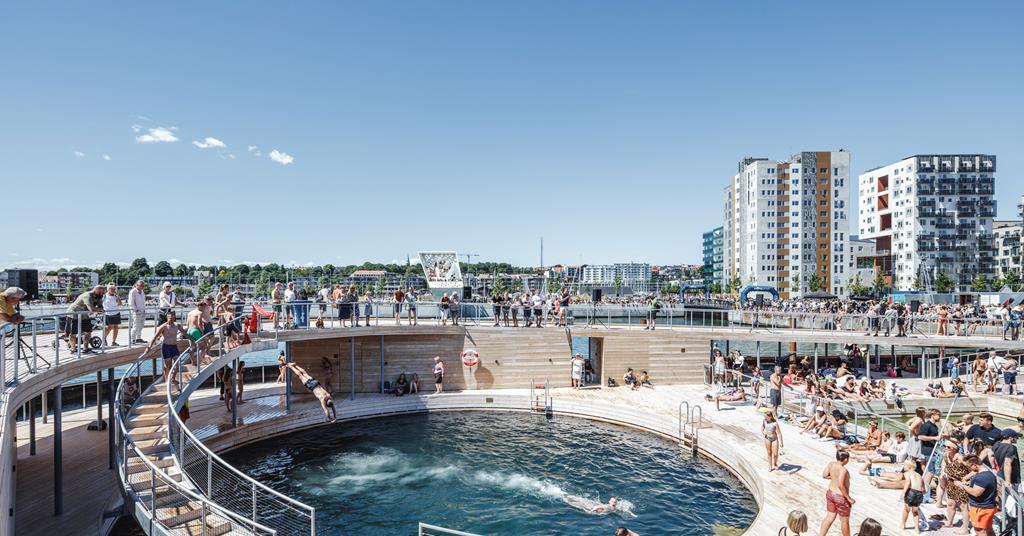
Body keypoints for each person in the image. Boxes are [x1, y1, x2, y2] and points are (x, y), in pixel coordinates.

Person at [952, 455, 998, 536]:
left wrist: (961, 485)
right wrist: (969, 484)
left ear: (974, 465)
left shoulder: (982, 477)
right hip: (987, 507)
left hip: (981, 508)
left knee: (980, 531)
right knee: (988, 529)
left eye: (969, 466)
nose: (969, 469)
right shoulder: (987, 473)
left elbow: (975, 493)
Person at [818, 450, 854, 536]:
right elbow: (841, 485)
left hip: (830, 493)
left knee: (830, 517)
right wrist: (849, 498)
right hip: (840, 497)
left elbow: (824, 475)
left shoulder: (831, 464)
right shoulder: (843, 470)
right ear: (845, 459)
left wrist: (834, 477)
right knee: (844, 521)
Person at [145, 310, 187, 384]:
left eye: (172, 317)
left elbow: (185, 333)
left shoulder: (177, 325)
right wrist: (149, 347)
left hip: (174, 346)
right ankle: (167, 379)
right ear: (167, 318)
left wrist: (192, 341)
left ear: (174, 318)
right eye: (169, 317)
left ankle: (173, 378)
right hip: (166, 347)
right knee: (166, 364)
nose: (170, 319)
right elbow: (154, 337)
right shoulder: (163, 326)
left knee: (177, 363)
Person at [65, 285, 104, 353]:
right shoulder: (87, 296)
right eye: (102, 291)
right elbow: (91, 309)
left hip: (84, 314)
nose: (103, 293)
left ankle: (85, 348)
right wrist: (99, 309)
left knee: (88, 332)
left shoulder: (99, 296)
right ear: (97, 290)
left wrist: (100, 309)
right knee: (73, 333)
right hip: (74, 314)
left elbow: (100, 306)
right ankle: (73, 348)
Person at [900, 458, 925, 532]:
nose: (903, 466)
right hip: (919, 494)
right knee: (915, 511)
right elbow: (924, 489)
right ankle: (917, 528)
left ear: (909, 467)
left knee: (906, 510)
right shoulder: (919, 475)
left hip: (911, 492)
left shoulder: (907, 473)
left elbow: (908, 482)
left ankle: (903, 524)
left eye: (904, 465)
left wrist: (903, 493)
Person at [127, 280, 147, 344]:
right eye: (141, 285)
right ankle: (132, 339)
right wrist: (135, 310)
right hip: (136, 312)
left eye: (143, 285)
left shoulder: (142, 291)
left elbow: (143, 301)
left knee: (141, 325)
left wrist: (144, 310)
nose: (142, 287)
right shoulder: (133, 292)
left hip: (142, 311)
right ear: (137, 285)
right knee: (135, 326)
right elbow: (131, 302)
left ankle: (138, 338)